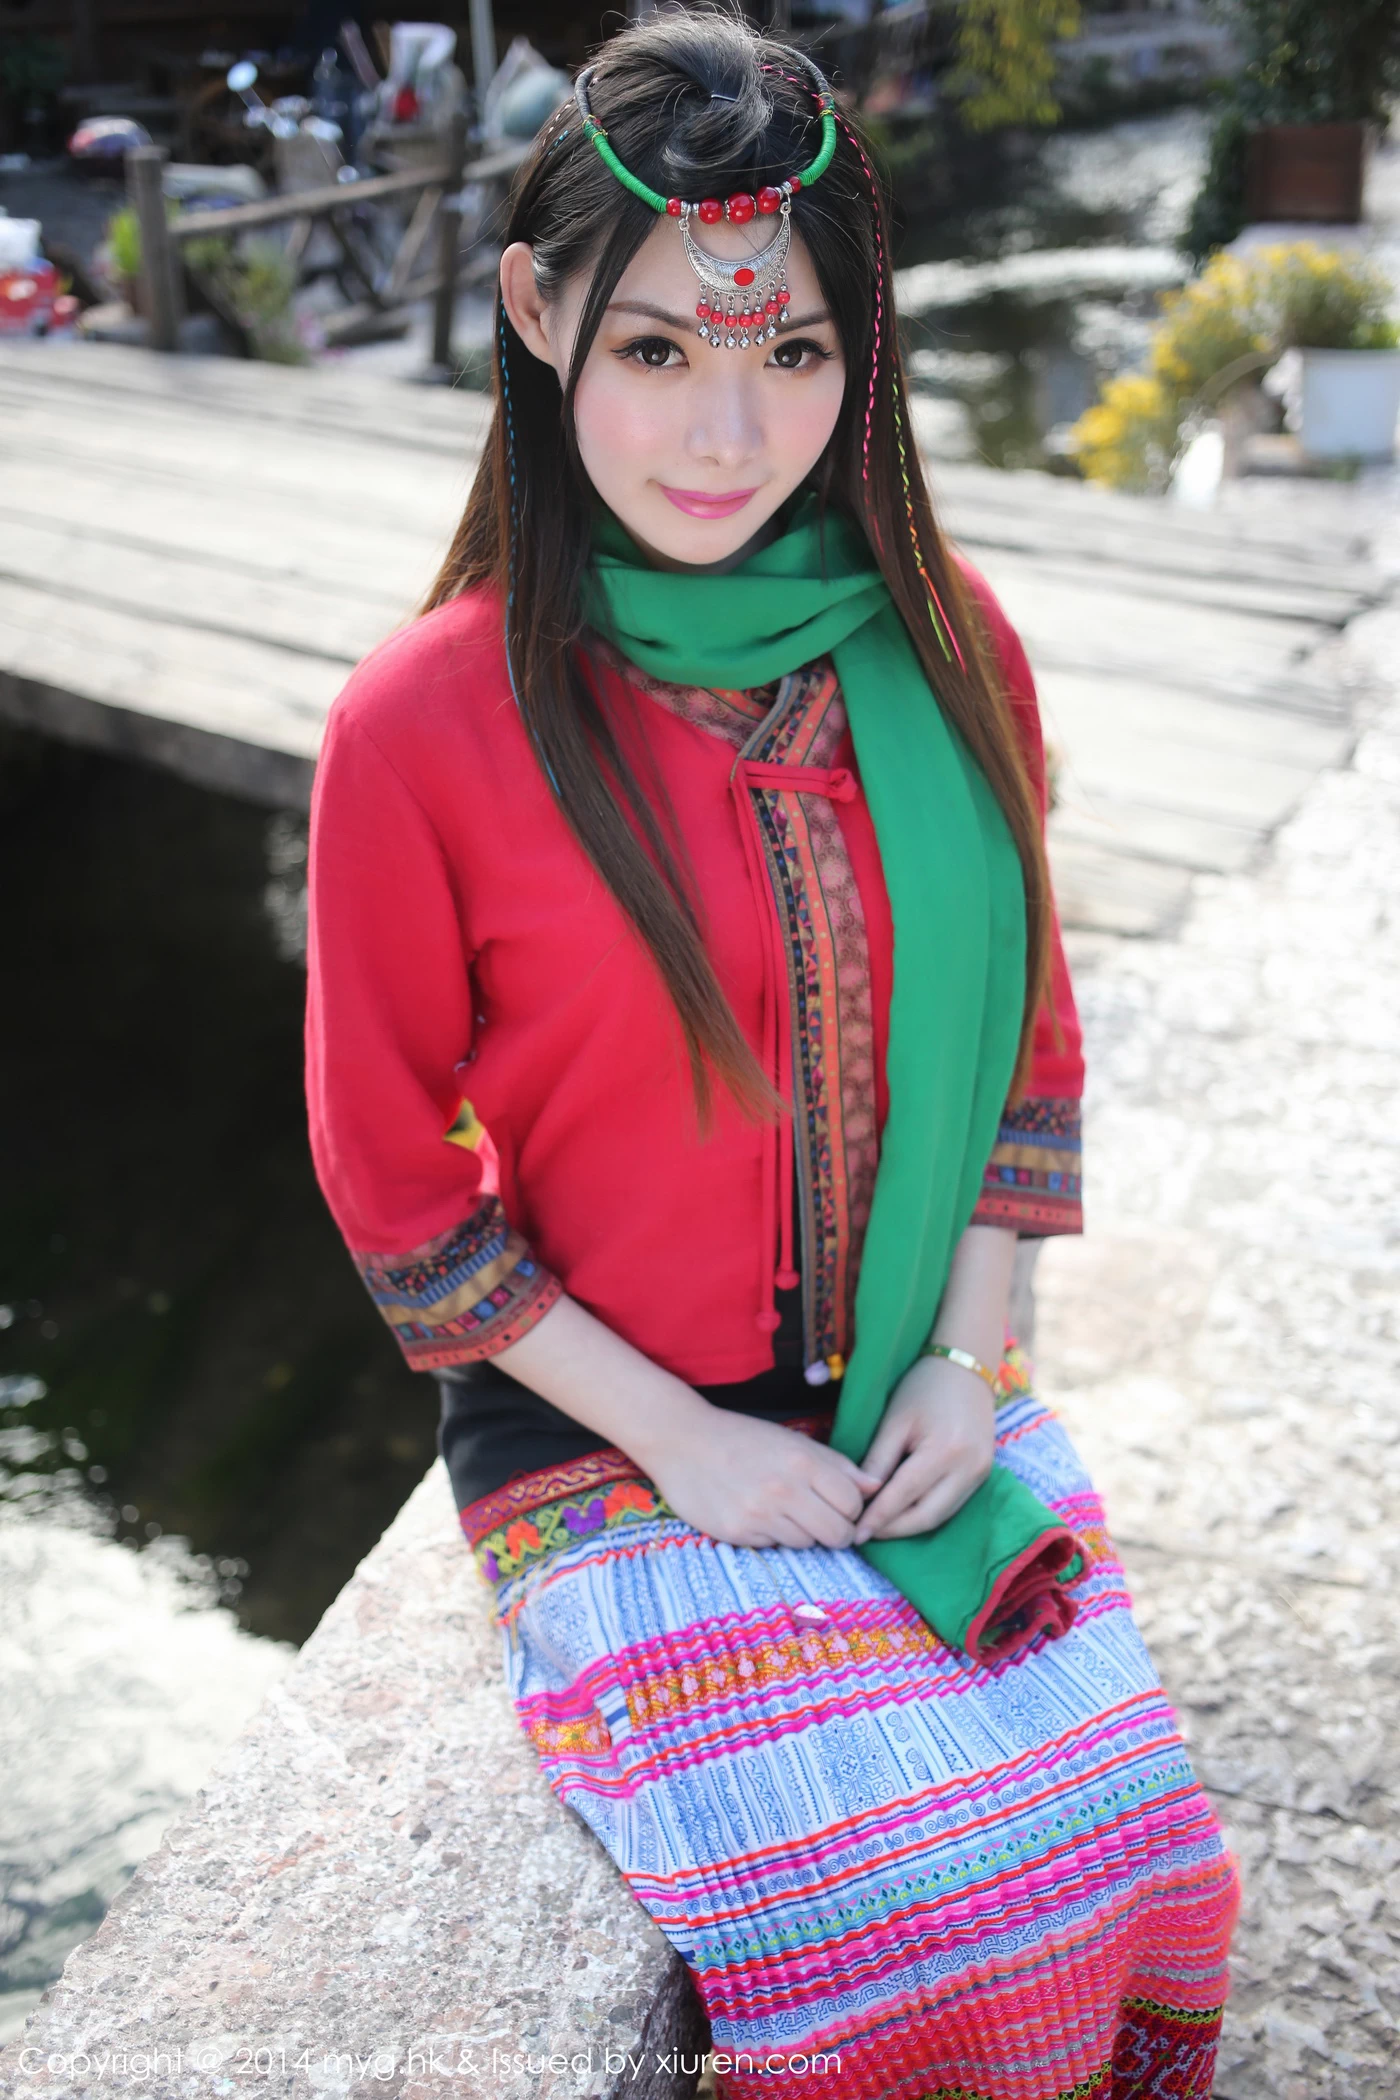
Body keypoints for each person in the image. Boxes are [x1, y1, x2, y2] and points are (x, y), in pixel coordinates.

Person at [304, 16, 1240, 2095]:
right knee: (908, 1934)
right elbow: (394, 1181)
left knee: (1151, 1866)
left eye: (793, 352)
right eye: (655, 349)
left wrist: (969, 1360)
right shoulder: (424, 724)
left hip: (908, 1375)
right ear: (535, 311)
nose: (728, 432)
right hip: (601, 1423)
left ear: (862, 347)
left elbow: (1029, 1047)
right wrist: (687, 1445)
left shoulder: (949, 645)